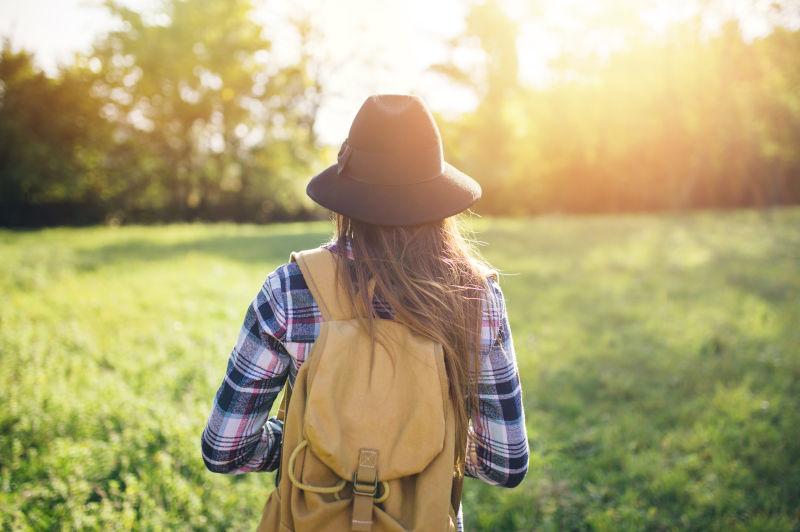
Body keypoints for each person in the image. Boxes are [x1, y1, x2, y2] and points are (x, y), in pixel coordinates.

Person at [201, 94, 529, 530]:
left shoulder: (289, 288)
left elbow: (224, 448)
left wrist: (314, 437)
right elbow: (504, 463)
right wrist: (422, 441)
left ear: (346, 197)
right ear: (436, 193)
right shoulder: (476, 297)